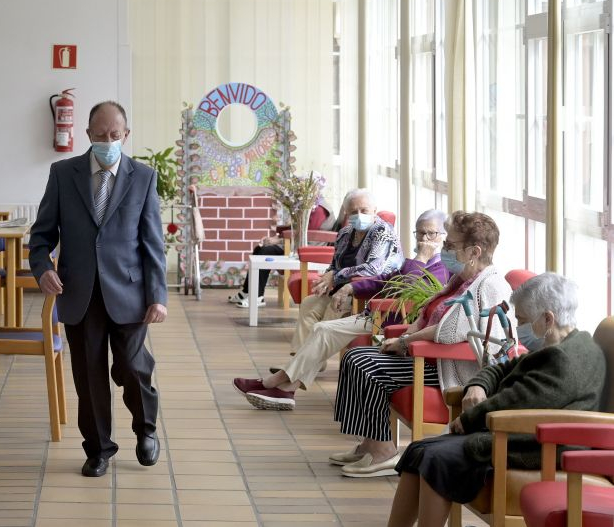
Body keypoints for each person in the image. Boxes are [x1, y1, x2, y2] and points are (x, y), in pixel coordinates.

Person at [387, 272, 606, 527]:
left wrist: (469, 420)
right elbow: (502, 368)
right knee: (418, 450)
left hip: (539, 446)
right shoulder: (558, 346)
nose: (518, 328)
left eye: (522, 320)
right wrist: (479, 384)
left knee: (435, 458)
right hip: (518, 432)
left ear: (548, 318)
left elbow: (518, 402)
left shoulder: (564, 360)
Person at [29, 101, 167, 478]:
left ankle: (146, 430)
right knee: (89, 377)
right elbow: (41, 237)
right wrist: (41, 269)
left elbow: (153, 243)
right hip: (80, 292)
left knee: (135, 369)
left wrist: (159, 295)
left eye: (115, 135)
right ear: (88, 135)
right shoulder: (63, 174)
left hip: (129, 292)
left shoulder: (143, 176)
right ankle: (99, 450)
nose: (109, 142)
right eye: (101, 135)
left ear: (126, 134)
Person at [330, 211, 513, 477]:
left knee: (364, 364)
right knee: (354, 355)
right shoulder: (460, 278)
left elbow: (449, 331)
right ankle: (370, 444)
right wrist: (408, 335)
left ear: (474, 251)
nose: (445, 249)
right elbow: (428, 313)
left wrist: (405, 341)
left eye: (451, 245)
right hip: (426, 356)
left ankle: (383, 450)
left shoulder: (491, 285)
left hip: (448, 368)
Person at [232, 209, 450, 410]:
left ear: (444, 236)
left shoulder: (442, 269)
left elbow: (406, 292)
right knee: (322, 329)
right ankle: (285, 390)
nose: (423, 239)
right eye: (419, 233)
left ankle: (275, 382)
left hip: (394, 324)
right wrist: (350, 287)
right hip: (376, 316)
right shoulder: (413, 262)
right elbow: (386, 281)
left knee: (323, 330)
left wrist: (421, 258)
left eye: (431, 234)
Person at [289, 188, 404, 355]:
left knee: (333, 308)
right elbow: (335, 264)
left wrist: (336, 277)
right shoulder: (345, 233)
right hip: (341, 287)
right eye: (353, 211)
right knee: (309, 303)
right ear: (346, 213)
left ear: (374, 210)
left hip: (368, 291)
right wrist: (326, 280)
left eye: (364, 210)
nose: (359, 215)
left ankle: (306, 363)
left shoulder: (382, 232)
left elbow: (373, 268)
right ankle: (298, 357)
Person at [227, 192, 336, 308]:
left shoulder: (320, 209)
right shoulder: (309, 205)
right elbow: (298, 227)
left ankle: (257, 297)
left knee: (265, 251)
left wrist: (278, 240)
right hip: (297, 245)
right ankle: (247, 291)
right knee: (259, 249)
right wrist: (277, 237)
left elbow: (305, 233)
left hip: (308, 249)